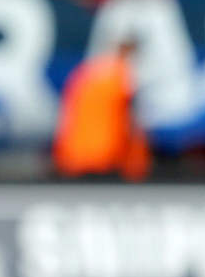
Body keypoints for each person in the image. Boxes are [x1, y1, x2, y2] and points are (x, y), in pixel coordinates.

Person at [52, 38, 149, 181]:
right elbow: (130, 123)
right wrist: (136, 163)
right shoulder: (121, 76)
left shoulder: (87, 72)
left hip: (75, 155)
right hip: (105, 157)